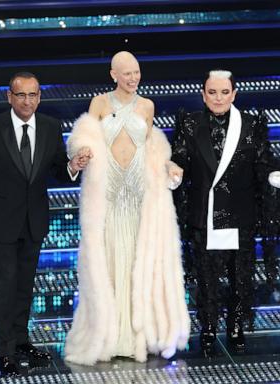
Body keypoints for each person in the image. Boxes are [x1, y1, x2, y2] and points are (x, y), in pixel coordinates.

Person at [65, 51, 190, 365]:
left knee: (138, 263)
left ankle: (138, 336)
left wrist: (168, 164)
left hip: (137, 195)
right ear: (113, 75)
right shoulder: (100, 103)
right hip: (108, 195)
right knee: (108, 262)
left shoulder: (147, 106)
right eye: (127, 73)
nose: (133, 78)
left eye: (136, 72)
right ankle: (107, 336)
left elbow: (151, 149)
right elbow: (84, 138)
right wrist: (80, 151)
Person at [171, 69, 280, 351]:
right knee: (207, 274)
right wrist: (173, 169)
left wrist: (272, 174)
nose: (219, 98)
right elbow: (179, 157)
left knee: (240, 274)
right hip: (204, 211)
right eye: (212, 92)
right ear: (203, 94)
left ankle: (236, 324)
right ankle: (209, 325)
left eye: (225, 92)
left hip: (239, 211)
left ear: (234, 94)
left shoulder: (250, 124)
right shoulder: (189, 124)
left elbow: (263, 160)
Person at [0, 72, 90, 376]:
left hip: (34, 221)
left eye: (32, 95)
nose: (27, 101)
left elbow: (57, 169)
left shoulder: (49, 126)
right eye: (20, 95)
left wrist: (72, 166)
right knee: (3, 288)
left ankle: (22, 342)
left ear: (39, 97)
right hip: (1, 222)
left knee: (24, 288)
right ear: (9, 97)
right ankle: (5, 351)